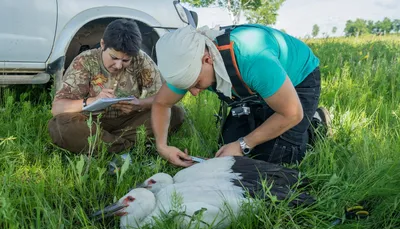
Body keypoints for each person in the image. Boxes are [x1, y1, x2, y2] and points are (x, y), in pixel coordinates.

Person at [151, 24, 331, 167]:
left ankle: (314, 123)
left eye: (197, 84)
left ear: (207, 60)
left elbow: (291, 113)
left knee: (273, 159)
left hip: (297, 78)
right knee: (228, 156)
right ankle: (265, 114)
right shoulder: (186, 64)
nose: (195, 93)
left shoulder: (253, 59)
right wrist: (162, 146)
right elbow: (161, 103)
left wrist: (242, 144)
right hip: (255, 88)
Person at [48, 19, 185, 155]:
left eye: (125, 60)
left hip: (129, 121)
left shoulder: (141, 59)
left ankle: (107, 145)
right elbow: (58, 108)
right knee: (60, 125)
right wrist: (92, 101)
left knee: (175, 112)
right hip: (90, 123)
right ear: (103, 44)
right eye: (114, 58)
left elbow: (162, 98)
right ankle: (127, 147)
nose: (119, 66)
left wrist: (140, 104)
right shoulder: (84, 61)